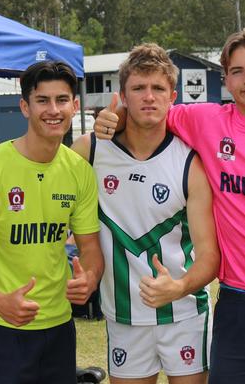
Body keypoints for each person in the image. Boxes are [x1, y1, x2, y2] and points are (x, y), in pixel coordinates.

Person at [95, 29, 245, 384]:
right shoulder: (205, 120)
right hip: (238, 302)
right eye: (237, 71)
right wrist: (109, 117)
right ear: (225, 79)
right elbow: (147, 112)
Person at [72, 44, 220, 383]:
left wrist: (179, 287)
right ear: (123, 95)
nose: (148, 97)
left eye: (157, 89)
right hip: (123, 314)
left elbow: (209, 255)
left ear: (172, 96)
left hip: (184, 312)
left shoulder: (190, 162)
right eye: (138, 88)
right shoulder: (90, 150)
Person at [0, 60, 104, 384]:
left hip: (58, 329)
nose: (53, 110)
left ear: (75, 106)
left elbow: (90, 246)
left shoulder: (79, 171)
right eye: (42, 100)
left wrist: (89, 279)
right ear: (25, 107)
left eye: (62, 100)